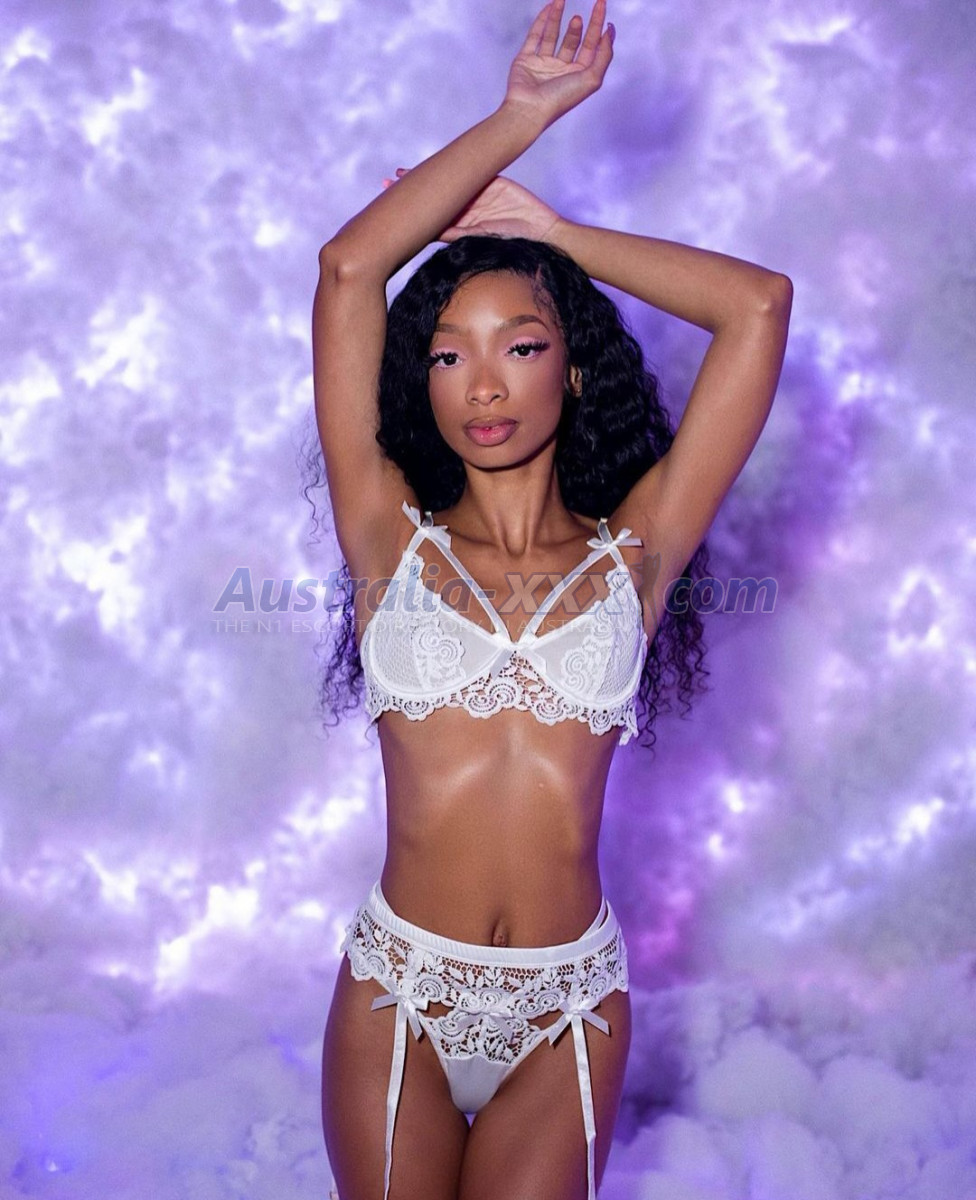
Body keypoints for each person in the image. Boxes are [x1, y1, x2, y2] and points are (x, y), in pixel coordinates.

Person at [312, 1, 792, 1197]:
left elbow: (758, 305)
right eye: (448, 354)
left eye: (518, 346)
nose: (482, 384)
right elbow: (350, 268)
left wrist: (554, 236)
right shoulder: (385, 535)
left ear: (572, 369)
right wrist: (517, 117)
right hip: (401, 990)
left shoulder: (637, 552)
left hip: (568, 1005)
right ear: (419, 381)